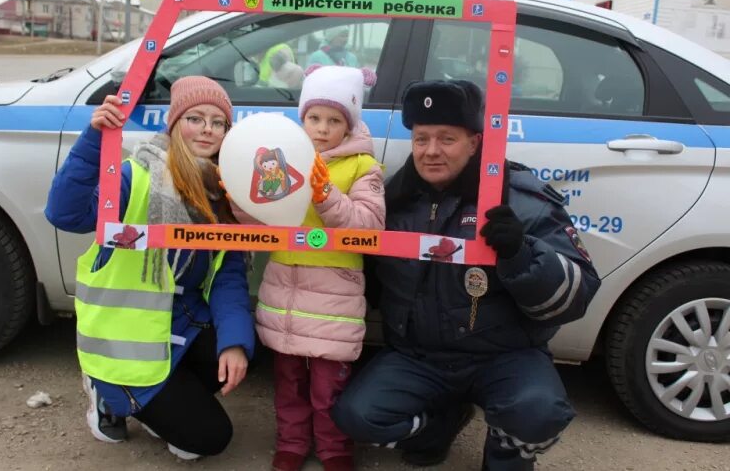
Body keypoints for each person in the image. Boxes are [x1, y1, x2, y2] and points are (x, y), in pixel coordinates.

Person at [331, 80, 601, 470]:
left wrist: (521, 252)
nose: (431, 151)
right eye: (421, 139)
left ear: (475, 142)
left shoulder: (517, 199)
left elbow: (577, 296)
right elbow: (365, 281)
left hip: (505, 356)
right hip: (418, 357)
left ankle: (505, 454)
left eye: (447, 138)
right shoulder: (391, 202)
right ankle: (439, 426)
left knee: (538, 414)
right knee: (357, 417)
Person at [44, 76, 255, 460]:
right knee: (209, 439)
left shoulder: (224, 194)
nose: (207, 129)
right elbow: (64, 213)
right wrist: (94, 142)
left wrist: (236, 344)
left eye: (218, 122)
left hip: (178, 324)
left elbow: (228, 278)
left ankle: (162, 403)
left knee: (236, 352)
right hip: (126, 340)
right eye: (195, 118)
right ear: (174, 124)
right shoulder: (136, 175)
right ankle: (108, 394)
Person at [228, 65, 385, 471]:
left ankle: (334, 450)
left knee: (328, 386)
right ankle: (292, 443)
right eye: (314, 118)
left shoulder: (362, 166)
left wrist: (325, 192)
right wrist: (237, 197)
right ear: (302, 118)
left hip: (335, 298)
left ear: (349, 125)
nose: (321, 128)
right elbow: (261, 221)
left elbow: (369, 226)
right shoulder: (282, 158)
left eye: (334, 120)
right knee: (289, 381)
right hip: (283, 294)